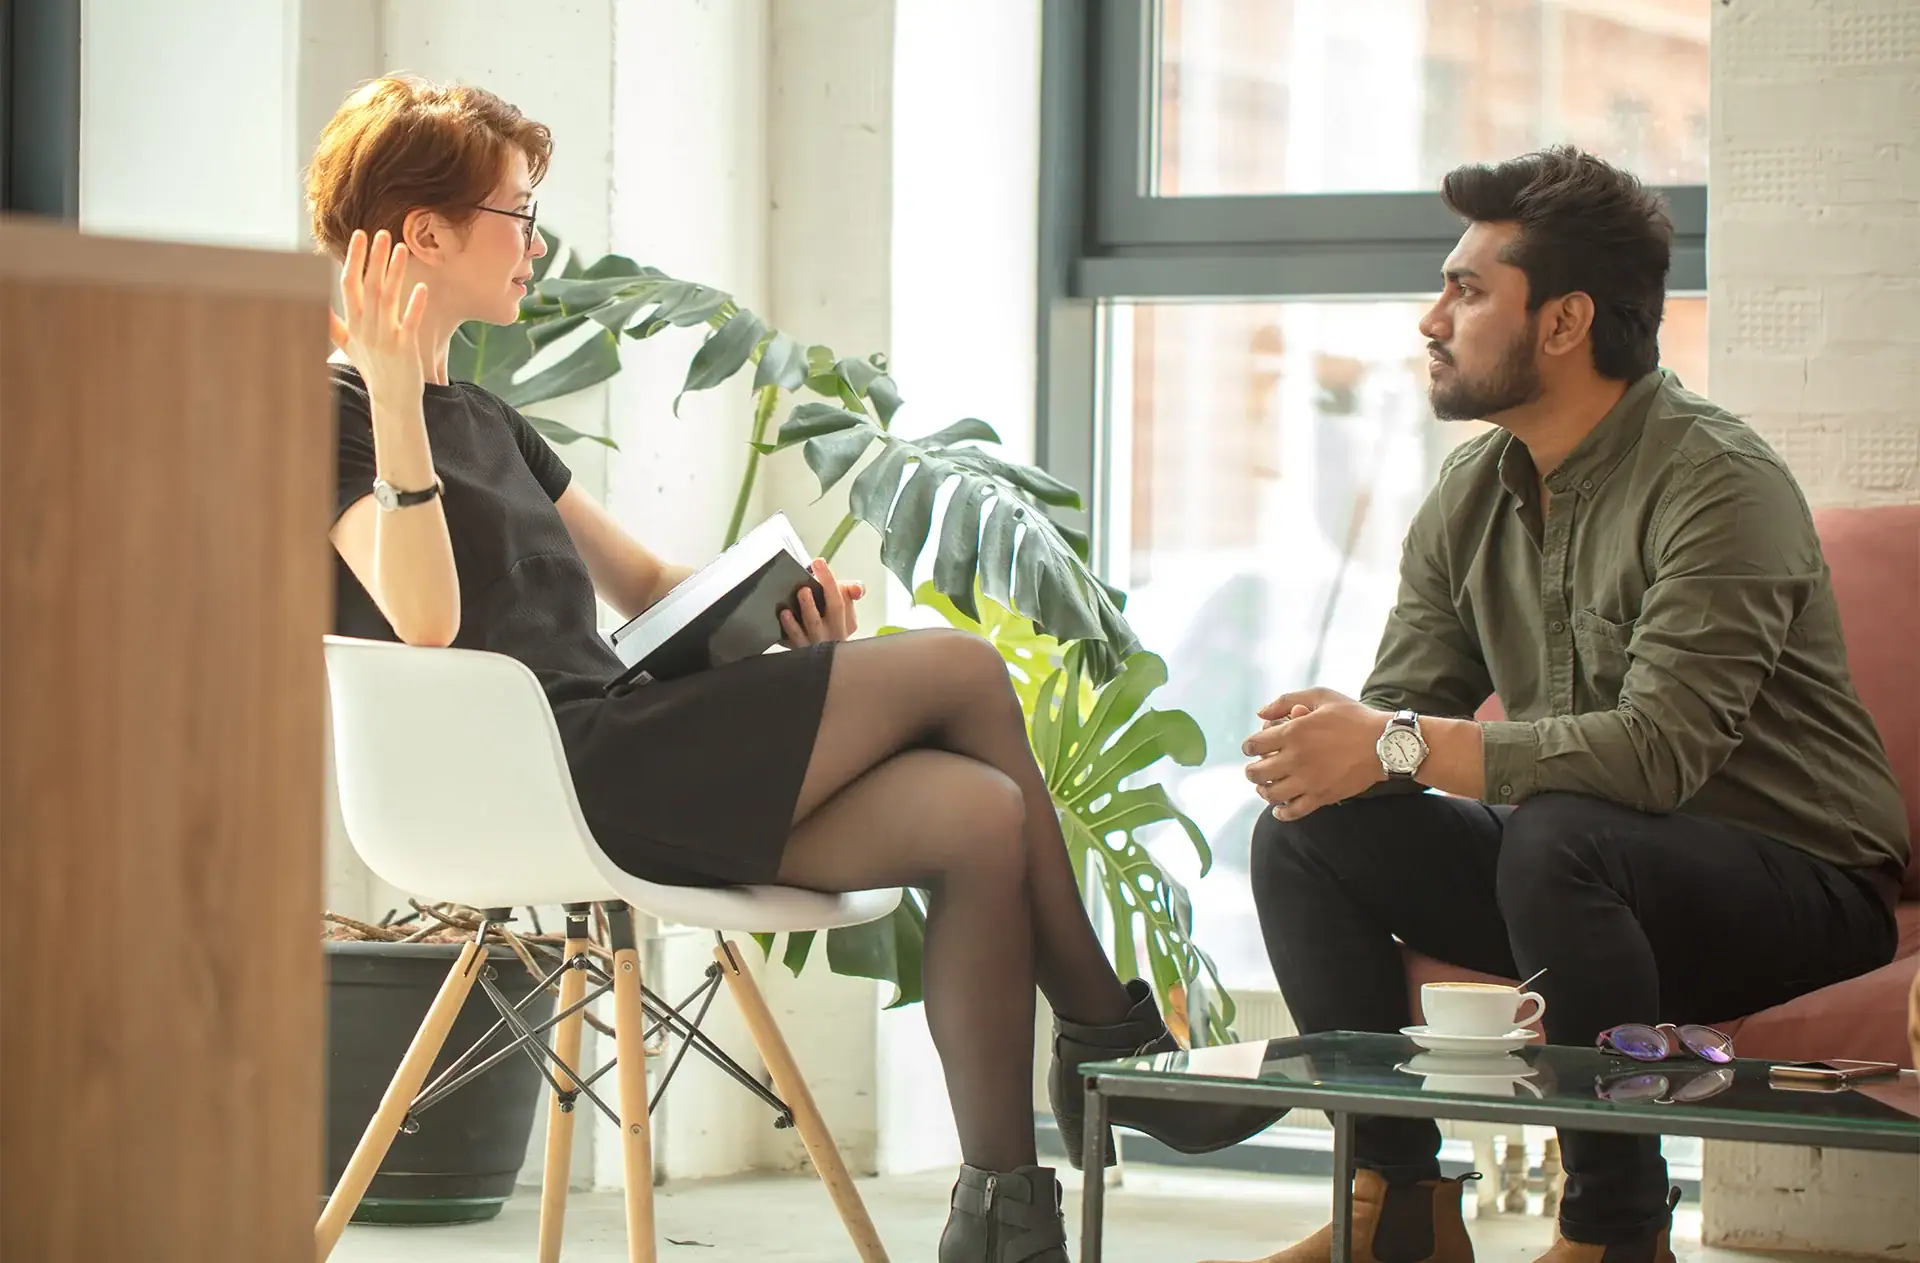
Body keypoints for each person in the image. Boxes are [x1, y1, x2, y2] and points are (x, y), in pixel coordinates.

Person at [310, 75, 1273, 1263]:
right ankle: (1107, 1044)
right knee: (965, 671)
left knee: (977, 815)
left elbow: (646, 585)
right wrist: (393, 399)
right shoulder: (335, 415)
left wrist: (771, 609)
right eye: (519, 214)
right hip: (558, 777)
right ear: (424, 234)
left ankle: (1004, 1213)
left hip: (625, 747)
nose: (536, 244)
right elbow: (422, 620)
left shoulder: (491, 419)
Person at [1226, 147, 1909, 1263]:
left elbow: (1655, 758)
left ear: (1564, 321)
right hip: (1582, 885)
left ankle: (1615, 1232)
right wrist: (1328, 751)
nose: (1431, 320)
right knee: (1309, 835)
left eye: (1467, 290)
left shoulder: (1717, 481)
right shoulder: (1471, 492)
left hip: (1799, 888)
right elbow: (1403, 719)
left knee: (1560, 836)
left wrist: (1393, 743)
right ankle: (1397, 1205)